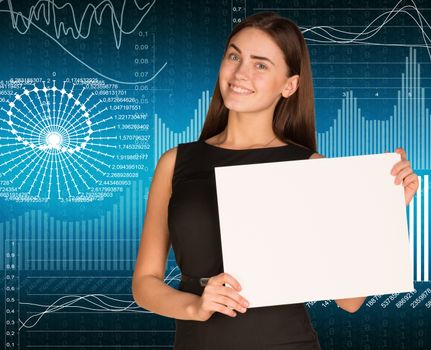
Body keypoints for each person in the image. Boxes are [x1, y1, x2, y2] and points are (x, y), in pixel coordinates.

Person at [132, 11, 419, 349]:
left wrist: (383, 212)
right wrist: (195, 306)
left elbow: (349, 301)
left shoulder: (311, 168)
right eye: (234, 56)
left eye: (261, 65)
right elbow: (145, 283)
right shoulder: (175, 163)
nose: (240, 73)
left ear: (289, 85)